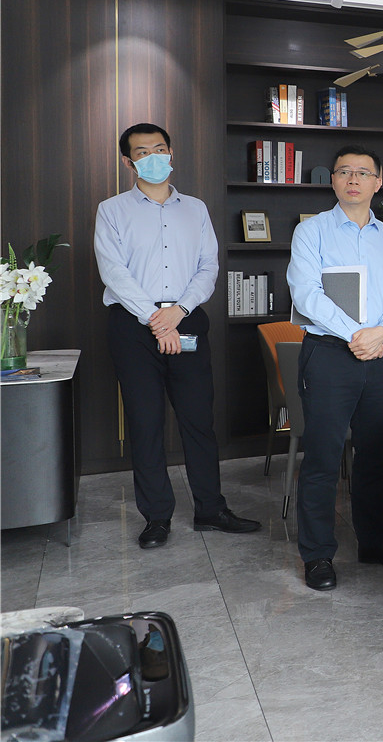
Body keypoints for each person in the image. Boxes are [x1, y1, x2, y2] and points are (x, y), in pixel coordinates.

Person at [94, 122, 261, 549]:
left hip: (186, 318)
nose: (153, 157)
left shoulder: (196, 209)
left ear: (171, 153)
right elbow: (114, 272)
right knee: (146, 422)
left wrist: (178, 312)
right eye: (142, 151)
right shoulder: (112, 210)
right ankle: (157, 517)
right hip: (133, 326)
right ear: (128, 161)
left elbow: (208, 267)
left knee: (198, 420)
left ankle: (211, 509)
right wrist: (156, 319)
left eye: (160, 148)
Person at [288, 145, 383, 591]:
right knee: (322, 457)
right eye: (344, 171)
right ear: (334, 180)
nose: (353, 179)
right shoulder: (312, 232)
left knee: (375, 455)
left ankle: (375, 542)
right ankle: (317, 554)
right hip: (329, 355)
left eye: (363, 172)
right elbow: (306, 294)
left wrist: (381, 332)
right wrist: (357, 335)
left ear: (378, 182)